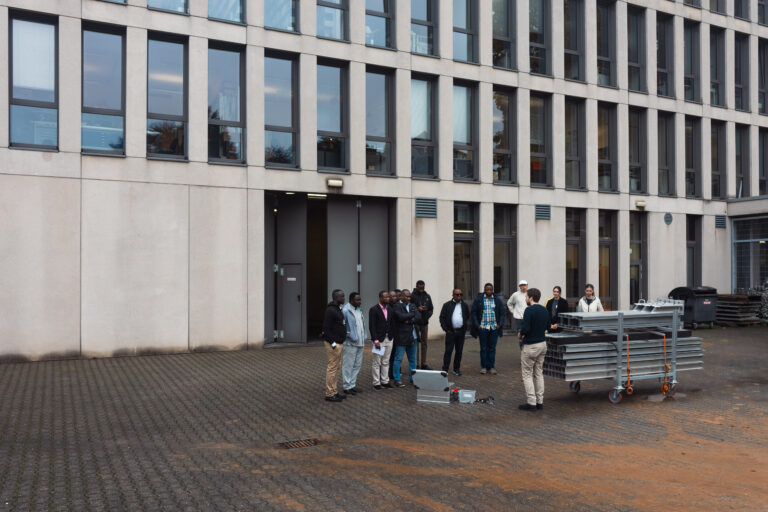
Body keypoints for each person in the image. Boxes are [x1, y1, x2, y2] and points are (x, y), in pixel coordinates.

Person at [517, 287, 549, 411]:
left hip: (531, 346)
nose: (525, 298)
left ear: (530, 298)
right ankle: (540, 401)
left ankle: (531, 402)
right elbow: (547, 326)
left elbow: (526, 328)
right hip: (543, 344)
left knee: (527, 374)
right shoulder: (544, 310)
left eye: (526, 296)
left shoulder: (528, 310)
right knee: (539, 373)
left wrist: (520, 334)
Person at [471, 283, 505, 375]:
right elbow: (473, 312)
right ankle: (484, 367)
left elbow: (502, 313)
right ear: (484, 290)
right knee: (484, 348)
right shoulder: (479, 299)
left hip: (494, 328)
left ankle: (491, 366)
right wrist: (477, 325)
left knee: (492, 348)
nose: (489, 291)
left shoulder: (497, 300)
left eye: (490, 289)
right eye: (487, 289)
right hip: (483, 327)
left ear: (493, 290)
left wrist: (500, 324)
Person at [322, 289, 348, 402]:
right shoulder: (330, 310)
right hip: (334, 344)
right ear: (336, 298)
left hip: (339, 343)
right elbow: (325, 330)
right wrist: (333, 344)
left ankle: (334, 391)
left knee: (336, 368)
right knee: (332, 368)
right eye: (341, 296)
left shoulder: (338, 309)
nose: (344, 298)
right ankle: (329, 394)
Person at [391, 289, 420, 387]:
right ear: (401, 297)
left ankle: (413, 378)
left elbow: (419, 317)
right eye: (407, 296)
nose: (409, 298)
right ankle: (397, 379)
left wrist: (409, 320)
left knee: (413, 360)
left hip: (413, 337)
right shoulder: (396, 306)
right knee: (398, 359)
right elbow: (401, 317)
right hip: (401, 337)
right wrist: (412, 315)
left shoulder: (412, 305)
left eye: (409, 296)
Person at [439, 289, 470, 376]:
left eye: (460, 294)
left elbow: (467, 316)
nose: (459, 296)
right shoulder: (447, 305)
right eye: (457, 295)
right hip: (450, 332)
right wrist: (446, 329)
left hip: (461, 332)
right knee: (448, 351)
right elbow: (442, 318)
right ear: (453, 295)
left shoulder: (464, 305)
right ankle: (445, 369)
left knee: (459, 351)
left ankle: (456, 369)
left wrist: (464, 327)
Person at [342, 292, 366, 395]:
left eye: (360, 299)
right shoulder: (346, 310)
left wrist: (364, 336)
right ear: (351, 300)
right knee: (348, 365)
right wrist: (350, 335)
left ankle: (352, 385)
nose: (360, 302)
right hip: (350, 343)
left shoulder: (359, 310)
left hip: (360, 342)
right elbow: (343, 326)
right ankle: (346, 386)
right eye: (357, 300)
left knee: (357, 365)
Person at [369, 290, 394, 390]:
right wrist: (375, 341)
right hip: (379, 340)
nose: (388, 298)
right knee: (376, 363)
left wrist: (392, 336)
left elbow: (392, 324)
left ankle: (385, 381)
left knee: (386, 361)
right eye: (386, 297)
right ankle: (376, 383)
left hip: (389, 339)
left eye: (388, 297)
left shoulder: (390, 309)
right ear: (380, 298)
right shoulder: (374, 309)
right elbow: (372, 326)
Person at [411, 280, 434, 370]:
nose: (421, 289)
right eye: (420, 287)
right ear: (416, 286)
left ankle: (423, 363)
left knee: (424, 343)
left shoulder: (427, 296)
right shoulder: (412, 296)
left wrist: (426, 315)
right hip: (415, 323)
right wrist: (418, 309)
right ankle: (416, 363)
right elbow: (410, 308)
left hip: (424, 323)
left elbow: (431, 309)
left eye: (423, 287)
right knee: (415, 343)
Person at [387, 289, 400, 380]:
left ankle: (392, 373)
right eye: (391, 296)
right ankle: (384, 374)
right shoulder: (387, 307)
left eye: (395, 296)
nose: (393, 298)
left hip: (397, 335)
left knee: (394, 356)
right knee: (386, 357)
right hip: (387, 336)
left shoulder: (398, 306)